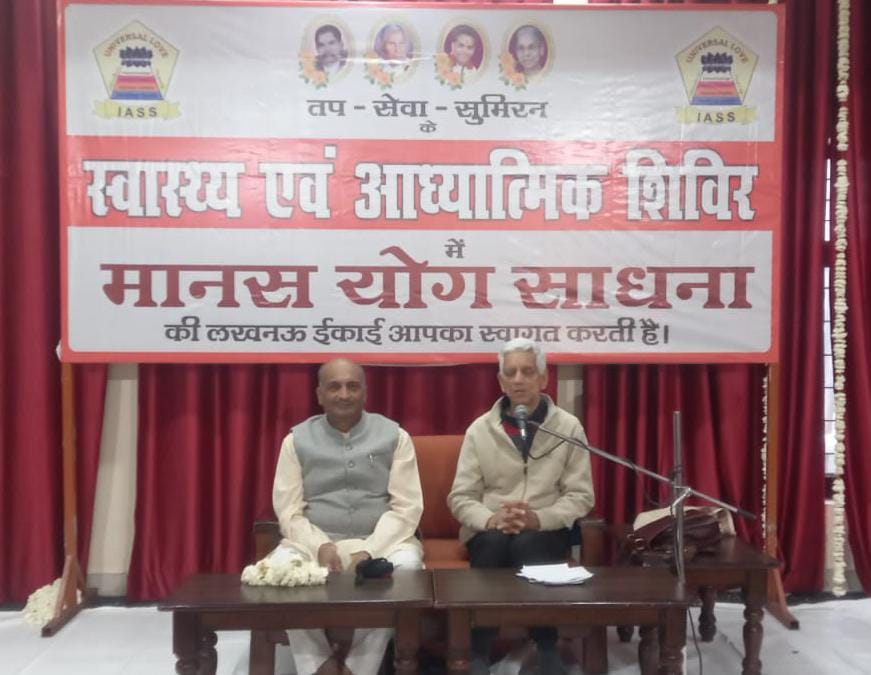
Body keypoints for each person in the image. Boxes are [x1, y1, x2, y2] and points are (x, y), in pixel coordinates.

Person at [447, 338, 595, 675]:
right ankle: (479, 647)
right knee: (495, 544)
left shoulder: (568, 428)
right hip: (490, 527)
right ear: (501, 382)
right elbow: (460, 497)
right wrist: (492, 518)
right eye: (510, 373)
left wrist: (539, 518)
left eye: (527, 372)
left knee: (531, 544)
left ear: (543, 378)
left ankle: (546, 646)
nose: (518, 380)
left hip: (545, 528)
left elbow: (581, 495)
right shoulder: (479, 430)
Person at [273, 358, 424, 675]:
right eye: (334, 387)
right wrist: (319, 546)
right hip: (316, 543)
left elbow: (407, 507)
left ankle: (360, 667)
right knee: (280, 571)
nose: (344, 395)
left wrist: (371, 549)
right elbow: (288, 510)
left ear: (365, 392)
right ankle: (318, 664)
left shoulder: (395, 436)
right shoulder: (295, 440)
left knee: (407, 570)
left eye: (352, 386)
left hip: (381, 543)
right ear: (319, 394)